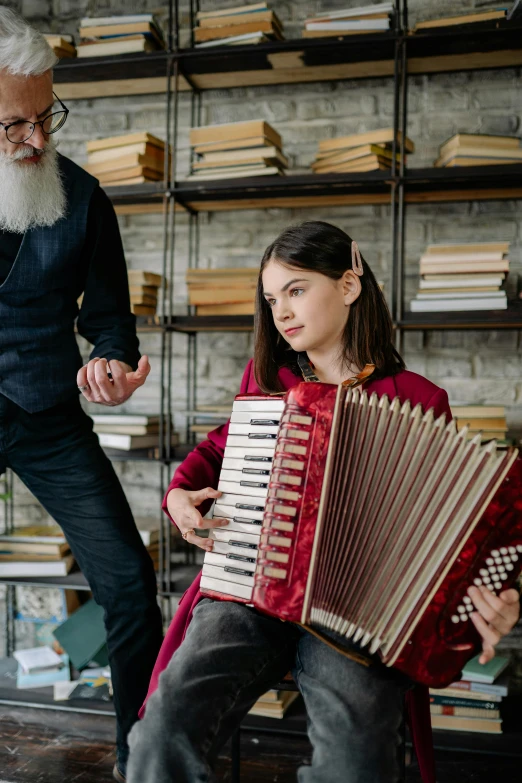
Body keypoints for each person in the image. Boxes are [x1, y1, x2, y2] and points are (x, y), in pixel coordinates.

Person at [128, 220, 520, 783]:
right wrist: (177, 496)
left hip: (355, 616)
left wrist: (493, 598)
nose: (281, 311)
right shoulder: (269, 382)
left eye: (296, 289)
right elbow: (217, 446)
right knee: (166, 723)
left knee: (354, 754)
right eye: (271, 298)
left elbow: (449, 529)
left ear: (349, 285)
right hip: (251, 586)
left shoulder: (418, 399)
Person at [0, 10, 163, 782]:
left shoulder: (86, 200)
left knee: (131, 587)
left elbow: (110, 328)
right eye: (12, 125)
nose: (35, 140)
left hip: (46, 418)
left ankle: (143, 759)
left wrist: (110, 364)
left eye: (44, 116)